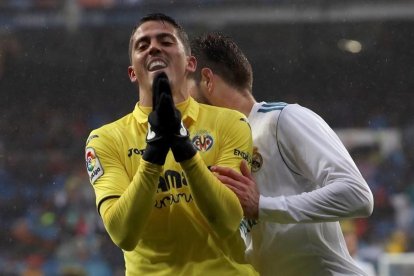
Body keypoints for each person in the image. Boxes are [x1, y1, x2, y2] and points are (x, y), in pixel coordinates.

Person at [84, 14, 257, 275]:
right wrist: (153, 153)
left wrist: (184, 148)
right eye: (142, 45)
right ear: (132, 72)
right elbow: (123, 234)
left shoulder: (230, 123)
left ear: (190, 63)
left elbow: (228, 220)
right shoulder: (106, 139)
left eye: (166, 41)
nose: (153, 47)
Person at [189, 32, 374, 276]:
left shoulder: (282, 119)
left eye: (182, 88)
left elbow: (357, 195)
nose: (181, 103)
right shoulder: (219, 153)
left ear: (207, 80)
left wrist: (263, 206)